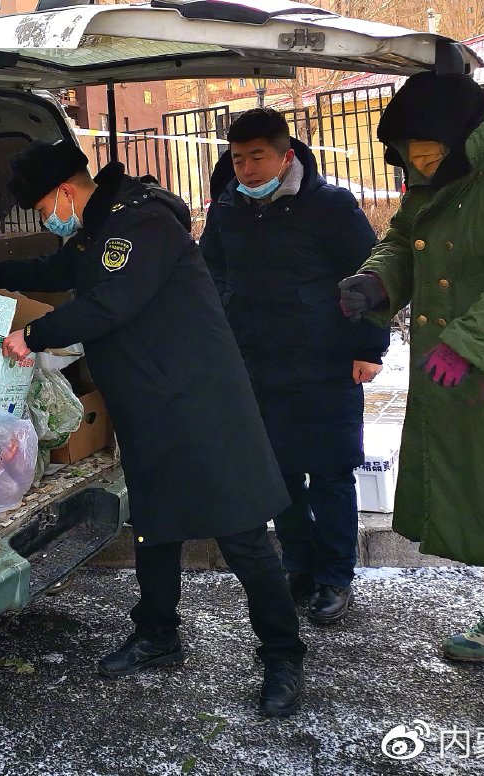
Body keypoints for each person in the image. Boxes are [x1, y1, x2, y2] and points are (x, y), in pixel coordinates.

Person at [0, 141, 308, 718]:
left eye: (46, 208)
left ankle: (283, 655)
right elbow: (63, 268)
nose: (49, 220)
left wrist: (35, 334)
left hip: (200, 402)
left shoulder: (139, 224)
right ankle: (157, 634)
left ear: (65, 192)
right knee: (155, 523)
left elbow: (111, 303)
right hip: (148, 402)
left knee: (242, 530)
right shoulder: (98, 227)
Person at [338, 72, 484, 663]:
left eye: (427, 154)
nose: (418, 166)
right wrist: (377, 279)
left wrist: (471, 345)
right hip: (458, 375)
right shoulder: (438, 175)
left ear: (459, 137)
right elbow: (404, 238)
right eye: (410, 157)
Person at [201, 109, 388, 626]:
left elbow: (370, 276)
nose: (247, 169)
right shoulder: (226, 210)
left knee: (329, 472)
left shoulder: (329, 207)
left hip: (326, 363)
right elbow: (211, 269)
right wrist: (226, 317)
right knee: (277, 474)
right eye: (238, 159)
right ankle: (298, 563)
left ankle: (335, 576)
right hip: (257, 364)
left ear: (285, 155)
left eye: (258, 156)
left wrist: (369, 348)